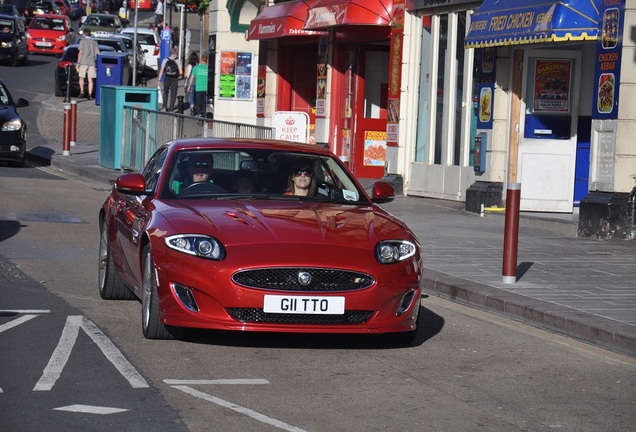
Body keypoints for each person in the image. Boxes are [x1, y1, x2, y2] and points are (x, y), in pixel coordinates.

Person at [157, 46, 182, 112]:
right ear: (175, 54)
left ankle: (164, 107)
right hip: (174, 79)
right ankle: (171, 109)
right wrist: (177, 74)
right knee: (173, 94)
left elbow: (162, 70)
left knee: (165, 92)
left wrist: (159, 80)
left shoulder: (165, 60)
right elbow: (181, 72)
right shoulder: (178, 61)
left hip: (167, 78)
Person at [76, 28, 99, 100]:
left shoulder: (82, 41)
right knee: (90, 79)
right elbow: (98, 52)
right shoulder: (94, 42)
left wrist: (78, 63)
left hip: (84, 62)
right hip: (92, 62)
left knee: (81, 77)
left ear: (84, 34)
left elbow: (80, 52)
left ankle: (82, 91)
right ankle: (90, 94)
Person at [186, 52, 208, 117]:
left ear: (201, 60)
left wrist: (189, 86)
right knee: (204, 103)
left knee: (198, 103)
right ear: (206, 60)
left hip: (198, 88)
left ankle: (199, 114)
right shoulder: (208, 68)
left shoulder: (196, 68)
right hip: (206, 88)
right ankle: (204, 115)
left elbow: (191, 78)